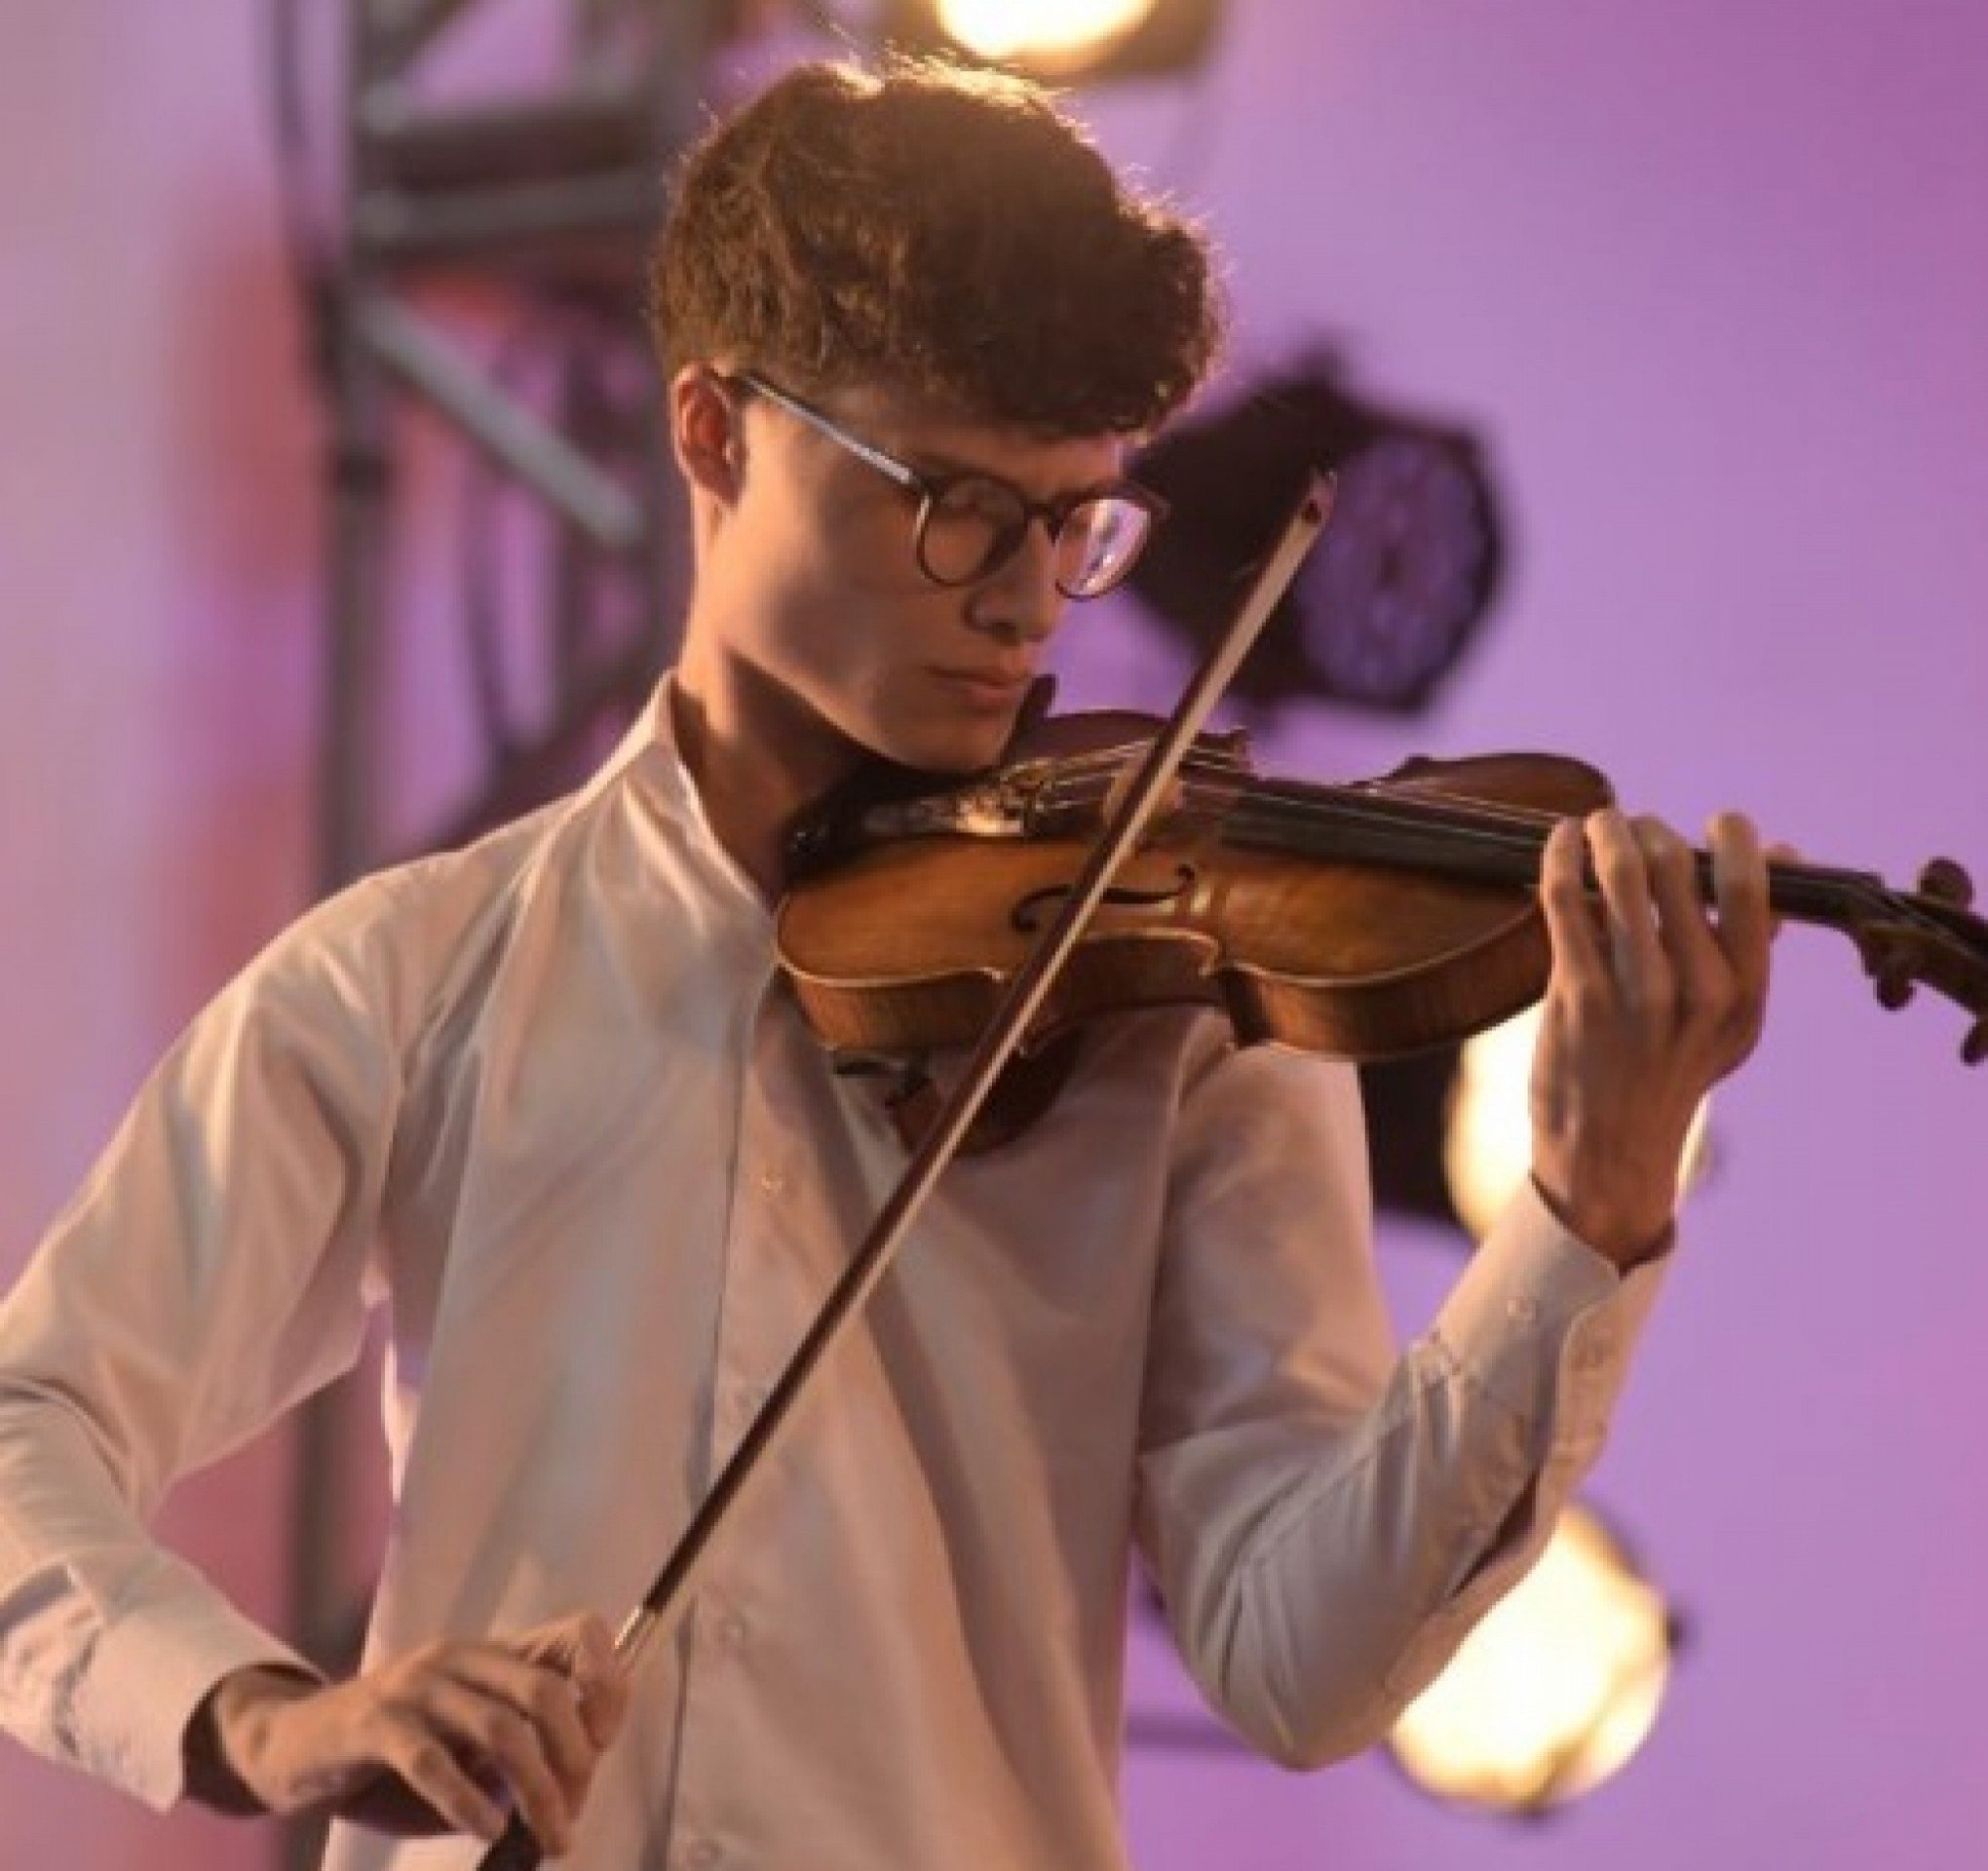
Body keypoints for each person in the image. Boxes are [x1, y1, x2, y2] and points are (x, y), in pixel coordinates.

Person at [0, 56, 1777, 1871]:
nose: (1023, 601)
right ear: (714, 430)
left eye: (1077, 516)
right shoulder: (417, 974)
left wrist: (1588, 1216)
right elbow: (22, 1426)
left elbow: (1297, 1663)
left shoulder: (1174, 1010)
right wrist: (273, 1718)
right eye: (953, 504)